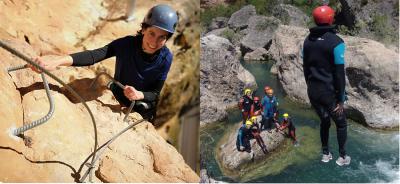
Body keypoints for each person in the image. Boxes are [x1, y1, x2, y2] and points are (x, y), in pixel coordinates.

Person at [28, 4, 179, 123]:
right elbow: (95, 55)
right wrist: (57, 61)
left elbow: (155, 94)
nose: (154, 42)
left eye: (162, 37)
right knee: (114, 86)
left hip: (141, 106)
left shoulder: (166, 58)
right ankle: (112, 86)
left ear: (167, 39)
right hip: (119, 92)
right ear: (144, 29)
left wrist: (139, 94)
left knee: (142, 108)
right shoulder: (126, 45)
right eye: (152, 33)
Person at [302, 5, 350, 166]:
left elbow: (305, 68)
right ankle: (342, 157)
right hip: (329, 93)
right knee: (341, 123)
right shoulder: (336, 42)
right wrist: (341, 99)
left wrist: (309, 86)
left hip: (313, 91)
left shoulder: (307, 40)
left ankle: (325, 154)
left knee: (324, 120)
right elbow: (339, 74)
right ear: (330, 19)